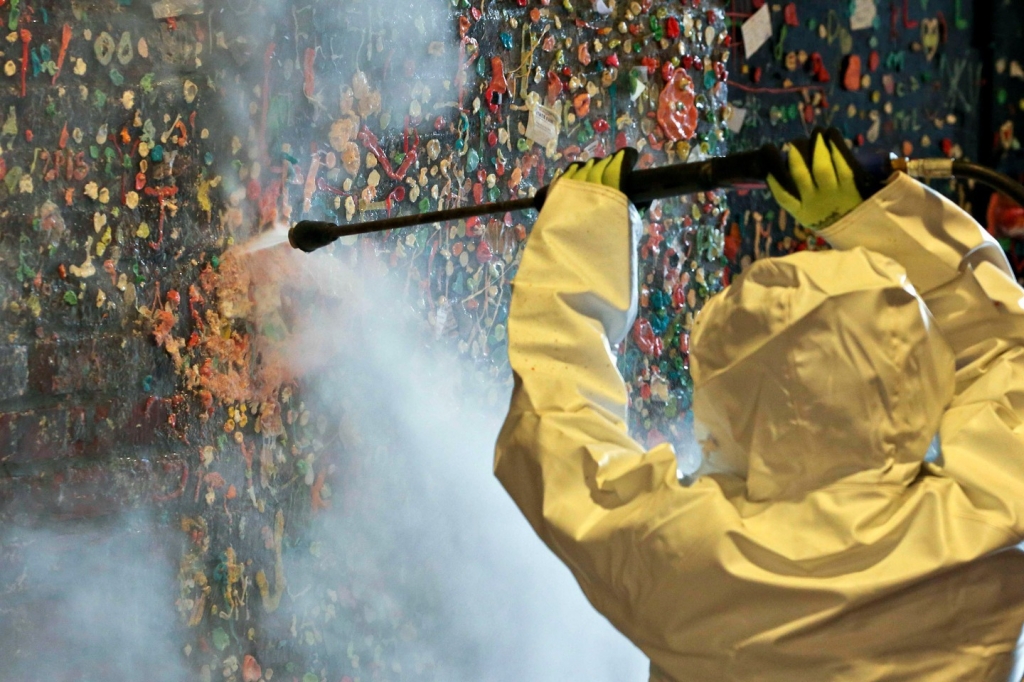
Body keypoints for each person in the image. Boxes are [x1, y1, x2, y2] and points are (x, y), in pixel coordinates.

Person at [494, 128, 1024, 681]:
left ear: (730, 403)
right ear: (922, 372)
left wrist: (582, 228)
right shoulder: (989, 519)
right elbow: (1004, 347)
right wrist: (874, 219)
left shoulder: (700, 558)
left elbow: (554, 433)